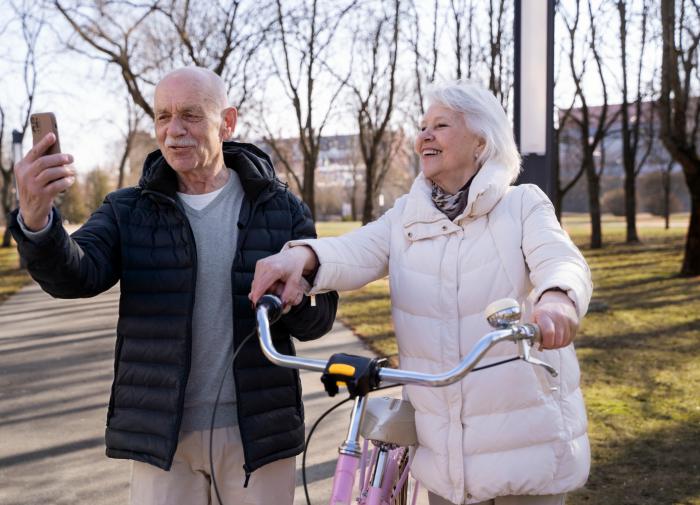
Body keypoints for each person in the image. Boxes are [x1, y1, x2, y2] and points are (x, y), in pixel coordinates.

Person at [250, 80, 593, 505]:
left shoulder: (522, 206)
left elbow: (560, 260)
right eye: (423, 126)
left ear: (481, 142)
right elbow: (354, 250)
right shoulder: (407, 217)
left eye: (441, 125)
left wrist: (557, 298)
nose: (424, 136)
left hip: (524, 450)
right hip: (443, 453)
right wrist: (299, 258)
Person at [10, 66, 338, 505]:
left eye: (190, 115)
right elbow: (75, 276)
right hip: (162, 439)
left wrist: (296, 303)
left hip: (258, 436)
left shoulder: (279, 208)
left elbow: (319, 319)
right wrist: (36, 221)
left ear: (227, 122)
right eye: (163, 117)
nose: (174, 130)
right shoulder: (128, 209)